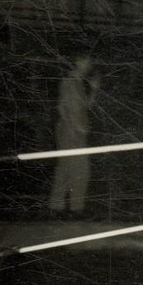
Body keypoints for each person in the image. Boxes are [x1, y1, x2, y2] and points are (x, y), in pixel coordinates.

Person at [49, 54, 100, 217]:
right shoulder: (69, 82)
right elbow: (63, 109)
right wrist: (76, 130)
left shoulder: (77, 83)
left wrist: (93, 89)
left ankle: (57, 207)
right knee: (81, 170)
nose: (89, 64)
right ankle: (76, 208)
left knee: (66, 168)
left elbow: (85, 107)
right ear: (77, 61)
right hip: (71, 132)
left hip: (73, 131)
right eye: (86, 60)